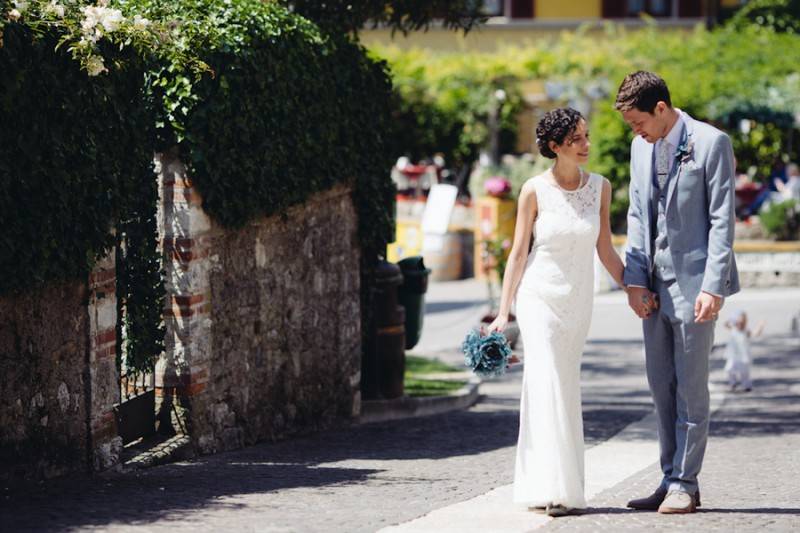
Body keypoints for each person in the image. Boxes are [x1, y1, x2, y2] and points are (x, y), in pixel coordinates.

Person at [487, 108, 626, 517]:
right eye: (576, 140)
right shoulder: (533, 189)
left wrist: (634, 290)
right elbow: (517, 254)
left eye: (586, 136)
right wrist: (503, 312)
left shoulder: (600, 187)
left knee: (564, 387)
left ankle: (553, 484)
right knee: (546, 380)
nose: (586, 145)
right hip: (538, 298)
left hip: (578, 302)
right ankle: (553, 489)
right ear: (554, 147)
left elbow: (605, 248)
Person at [617, 71, 740, 514]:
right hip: (651, 284)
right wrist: (634, 280)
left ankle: (686, 482)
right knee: (661, 387)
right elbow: (635, 214)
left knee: (691, 388)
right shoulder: (639, 149)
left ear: (662, 109)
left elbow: (723, 219)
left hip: (694, 284)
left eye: (638, 122)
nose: (636, 132)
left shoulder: (712, 143)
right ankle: (669, 476)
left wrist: (714, 285)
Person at [723, 310, 763, 392]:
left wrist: (760, 326)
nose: (740, 322)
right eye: (738, 320)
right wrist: (731, 319)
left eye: (742, 320)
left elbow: (755, 334)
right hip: (733, 355)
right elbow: (725, 325)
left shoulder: (746, 331)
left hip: (743, 356)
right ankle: (732, 383)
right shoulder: (733, 329)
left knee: (744, 372)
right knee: (729, 369)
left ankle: (747, 385)